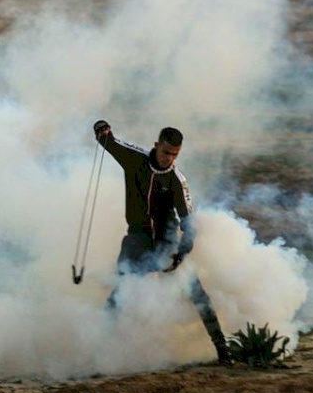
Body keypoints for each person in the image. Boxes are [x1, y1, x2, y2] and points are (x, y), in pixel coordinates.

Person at [93, 120, 233, 365]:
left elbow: (189, 222)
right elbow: (110, 144)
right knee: (120, 290)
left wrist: (182, 251)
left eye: (174, 155)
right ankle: (98, 352)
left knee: (197, 293)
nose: (169, 158)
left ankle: (222, 349)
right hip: (137, 237)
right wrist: (102, 130)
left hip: (168, 241)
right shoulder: (134, 159)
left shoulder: (178, 181)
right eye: (166, 152)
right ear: (156, 145)